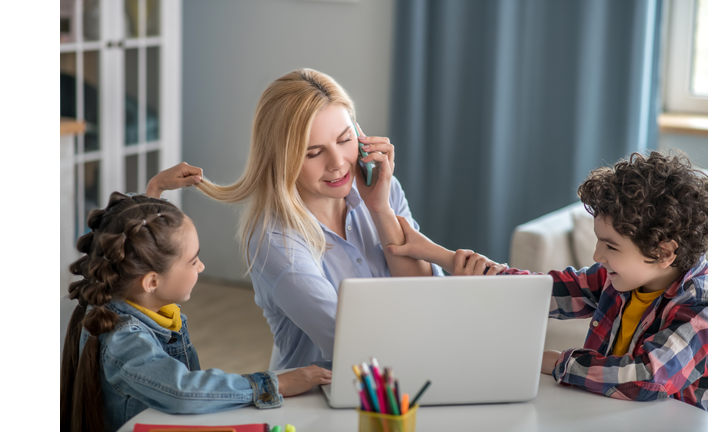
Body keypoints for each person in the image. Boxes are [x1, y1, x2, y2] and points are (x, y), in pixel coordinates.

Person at [146, 68, 499, 370]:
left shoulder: (382, 190)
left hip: (413, 368)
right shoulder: (275, 241)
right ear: (282, 159)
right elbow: (351, 343)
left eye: (345, 140)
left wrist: (381, 211)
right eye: (313, 153)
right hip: (325, 401)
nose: (338, 163)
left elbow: (422, 296)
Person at [386, 151, 709, 410]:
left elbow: (644, 377)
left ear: (664, 252)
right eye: (598, 240)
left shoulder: (701, 308)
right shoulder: (621, 279)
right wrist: (432, 252)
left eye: (611, 246)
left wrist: (550, 360)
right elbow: (537, 292)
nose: (597, 255)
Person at [60, 192, 332, 432]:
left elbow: (130, 237)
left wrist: (153, 195)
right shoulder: (125, 339)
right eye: (193, 261)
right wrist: (274, 384)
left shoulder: (135, 300)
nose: (201, 267)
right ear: (152, 282)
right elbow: (182, 391)